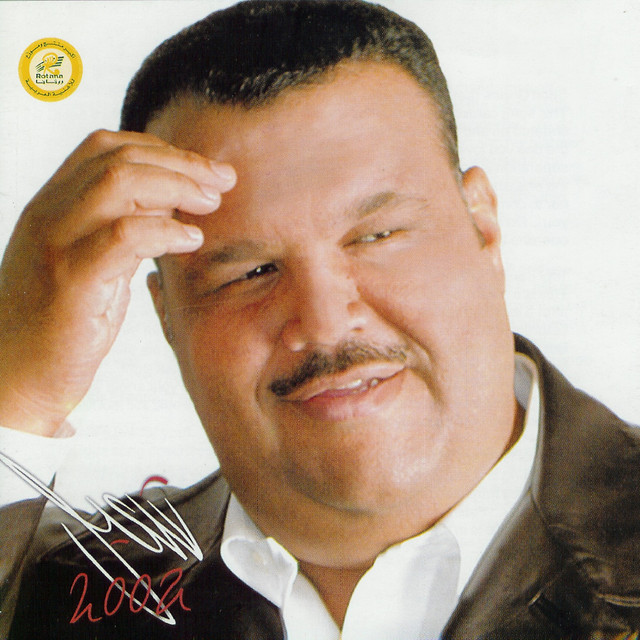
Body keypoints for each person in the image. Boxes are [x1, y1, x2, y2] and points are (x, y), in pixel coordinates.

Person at [0, 1, 638, 638]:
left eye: (377, 236)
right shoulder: (56, 596)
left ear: (484, 230)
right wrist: (19, 398)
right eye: (250, 273)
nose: (326, 324)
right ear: (166, 315)